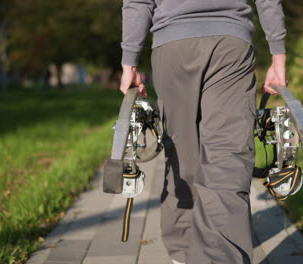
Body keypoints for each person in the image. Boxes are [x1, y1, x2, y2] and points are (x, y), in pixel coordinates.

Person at [119, 1, 287, 263]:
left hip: (172, 46)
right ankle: (217, 256)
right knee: (227, 157)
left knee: (182, 155)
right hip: (230, 43)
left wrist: (129, 62)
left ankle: (184, 253)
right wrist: (278, 56)